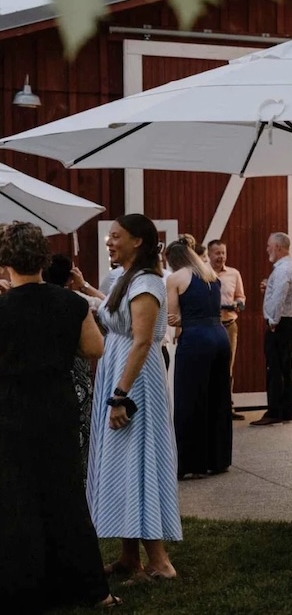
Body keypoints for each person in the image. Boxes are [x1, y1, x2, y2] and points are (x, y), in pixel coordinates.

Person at [0, 222, 121, 611]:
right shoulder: (70, 303)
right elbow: (95, 348)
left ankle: (25, 589)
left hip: (11, 409)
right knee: (66, 496)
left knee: (17, 497)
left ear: (5, 261)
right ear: (43, 258)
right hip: (56, 405)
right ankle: (92, 589)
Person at [89, 213, 181, 583]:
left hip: (135, 381)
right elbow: (116, 318)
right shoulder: (124, 278)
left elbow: (142, 342)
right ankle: (129, 558)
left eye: (116, 236)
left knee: (139, 462)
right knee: (122, 462)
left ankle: (160, 562)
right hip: (118, 368)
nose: (109, 242)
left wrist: (120, 396)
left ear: (137, 241)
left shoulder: (146, 283)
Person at [165, 240, 232, 479]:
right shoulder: (210, 275)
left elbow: (172, 317)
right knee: (218, 397)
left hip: (195, 339)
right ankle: (218, 458)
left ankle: (192, 463)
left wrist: (182, 320)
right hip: (220, 336)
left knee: (190, 399)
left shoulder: (176, 279)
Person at [43, 254, 102, 469]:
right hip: (76, 371)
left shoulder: (29, 301)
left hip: (44, 376)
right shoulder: (79, 302)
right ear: (70, 277)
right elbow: (108, 307)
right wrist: (84, 284)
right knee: (80, 429)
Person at [251, 232, 292, 426]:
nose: (267, 249)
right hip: (289, 321)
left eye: (269, 246)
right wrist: (268, 286)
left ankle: (274, 411)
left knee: (275, 368)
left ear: (278, 247)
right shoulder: (290, 266)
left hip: (280, 323)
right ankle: (286, 410)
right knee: (285, 368)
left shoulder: (282, 269)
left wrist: (272, 320)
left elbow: (279, 296)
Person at [207, 239, 246, 421]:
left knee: (227, 367)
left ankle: (227, 408)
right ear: (209, 254)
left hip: (229, 326)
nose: (221, 257)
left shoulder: (234, 274)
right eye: (217, 253)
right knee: (209, 366)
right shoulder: (202, 273)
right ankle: (210, 409)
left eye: (223, 253)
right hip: (209, 326)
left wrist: (238, 304)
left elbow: (240, 296)